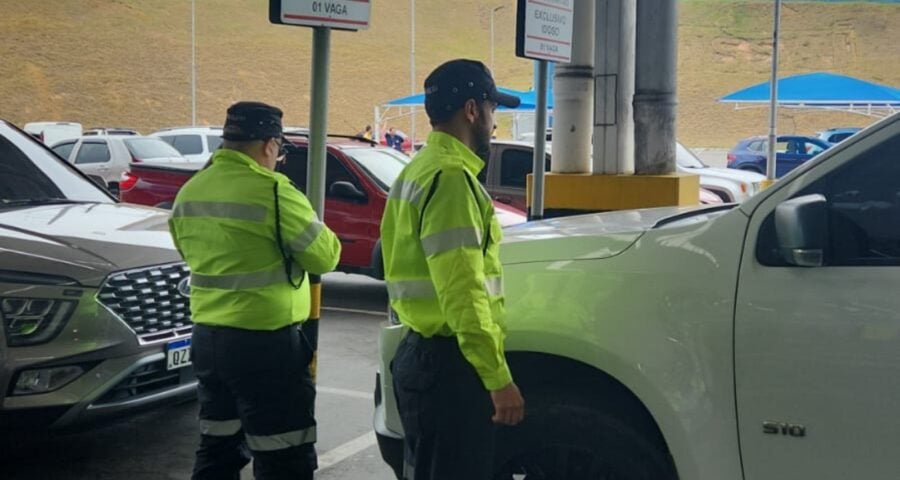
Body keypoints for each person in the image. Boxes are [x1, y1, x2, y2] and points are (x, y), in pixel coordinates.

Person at [169, 101, 341, 480]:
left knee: (218, 448)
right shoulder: (275, 192)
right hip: (265, 346)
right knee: (283, 454)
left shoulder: (191, 191)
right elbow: (325, 256)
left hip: (208, 341)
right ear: (269, 144)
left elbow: (188, 251)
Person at [380, 59, 524, 480]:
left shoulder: (418, 169)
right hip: (450, 370)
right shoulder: (451, 179)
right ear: (472, 110)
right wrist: (497, 379)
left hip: (422, 358)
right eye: (493, 109)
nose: (496, 123)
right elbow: (463, 291)